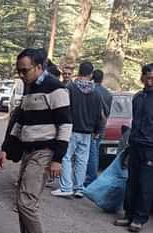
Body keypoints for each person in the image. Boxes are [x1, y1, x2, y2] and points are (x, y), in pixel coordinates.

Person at [0, 48, 72, 233]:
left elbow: (65, 126)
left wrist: (57, 159)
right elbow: (19, 122)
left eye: (25, 70)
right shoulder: (30, 88)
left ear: (39, 67)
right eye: (19, 70)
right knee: (22, 204)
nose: (21, 75)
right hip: (28, 153)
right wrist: (5, 148)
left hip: (44, 152)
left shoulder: (56, 89)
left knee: (26, 202)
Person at [51, 62, 105, 198]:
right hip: (88, 132)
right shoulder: (97, 93)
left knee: (66, 157)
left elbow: (64, 108)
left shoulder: (71, 88)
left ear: (78, 71)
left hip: (71, 129)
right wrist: (97, 130)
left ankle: (66, 187)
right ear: (91, 74)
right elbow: (100, 115)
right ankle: (79, 188)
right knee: (82, 160)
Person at [114, 63, 153, 232]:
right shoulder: (138, 97)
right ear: (142, 77)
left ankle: (139, 218)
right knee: (132, 181)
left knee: (146, 183)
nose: (150, 82)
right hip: (135, 143)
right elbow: (135, 121)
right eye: (148, 77)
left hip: (150, 147)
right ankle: (128, 214)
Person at [84, 69, 113, 186]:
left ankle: (91, 178)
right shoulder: (108, 94)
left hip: (91, 126)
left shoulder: (91, 91)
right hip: (102, 125)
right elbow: (107, 112)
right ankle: (90, 176)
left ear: (92, 77)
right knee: (94, 151)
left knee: (91, 153)